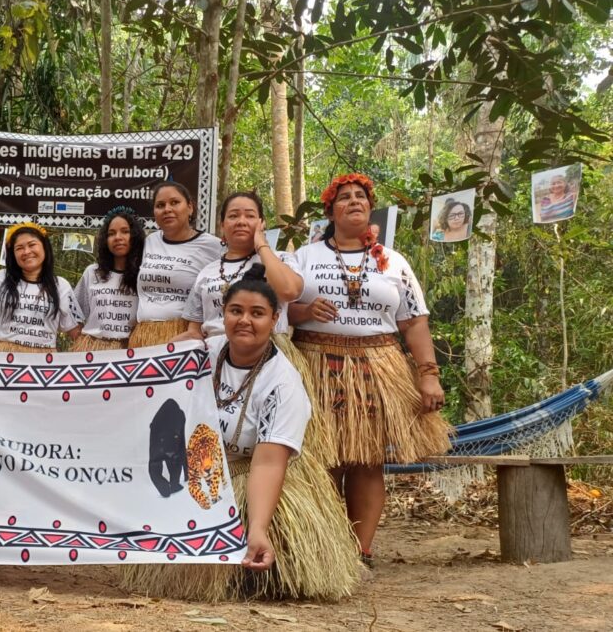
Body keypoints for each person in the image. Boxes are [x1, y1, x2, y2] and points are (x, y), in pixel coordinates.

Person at [121, 267, 360, 601]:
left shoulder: (283, 383)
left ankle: (267, 556)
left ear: (275, 319)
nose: (245, 320)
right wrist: (171, 350)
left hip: (253, 473)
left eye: (257, 313)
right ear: (224, 314)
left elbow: (268, 463)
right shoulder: (204, 351)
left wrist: (258, 528)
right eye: (236, 311)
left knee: (257, 577)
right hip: (200, 472)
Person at [289, 172, 451, 567]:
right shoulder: (305, 257)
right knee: (322, 457)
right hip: (315, 363)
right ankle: (326, 546)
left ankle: (359, 549)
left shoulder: (393, 261)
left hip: (378, 366)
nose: (354, 202)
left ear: (370, 206)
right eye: (344, 197)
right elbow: (279, 308)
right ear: (330, 210)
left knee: (366, 459)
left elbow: (414, 321)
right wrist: (305, 310)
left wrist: (428, 374)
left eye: (360, 196)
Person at [179, 191, 303, 340]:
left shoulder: (280, 259)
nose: (241, 222)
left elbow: (289, 291)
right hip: (213, 354)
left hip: (267, 353)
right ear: (223, 225)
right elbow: (194, 331)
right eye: (233, 216)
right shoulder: (207, 272)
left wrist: (262, 245)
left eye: (250, 216)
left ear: (261, 223)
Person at [128, 180, 223, 348]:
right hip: (144, 336)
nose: (167, 209)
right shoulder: (150, 241)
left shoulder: (214, 246)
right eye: (160, 205)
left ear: (190, 207)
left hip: (185, 336)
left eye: (174, 202)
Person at [0, 222, 82, 352]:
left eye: (32, 245)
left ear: (45, 247)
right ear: (13, 255)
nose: (26, 251)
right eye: (19, 248)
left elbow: (75, 331)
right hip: (0, 358)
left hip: (42, 362)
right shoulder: (0, 278)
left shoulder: (61, 285)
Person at [71, 207, 144, 351]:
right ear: (105, 240)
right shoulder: (92, 272)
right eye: (111, 233)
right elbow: (75, 314)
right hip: (92, 350)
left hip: (130, 354)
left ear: (135, 236)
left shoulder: (144, 275)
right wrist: (81, 340)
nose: (118, 237)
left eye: (125, 231)